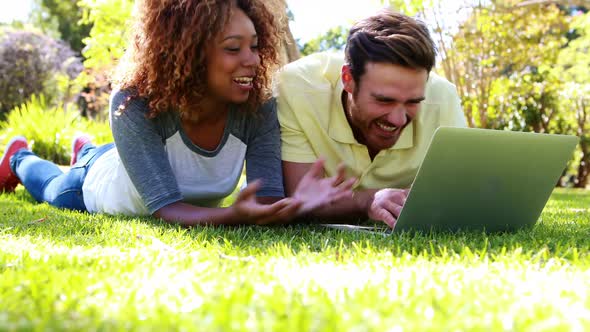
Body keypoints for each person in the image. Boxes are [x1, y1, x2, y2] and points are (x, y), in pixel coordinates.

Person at [0, 0, 355, 226]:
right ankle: (19, 156)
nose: (253, 60)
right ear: (187, 52)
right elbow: (168, 210)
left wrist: (297, 206)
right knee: (49, 186)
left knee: (98, 155)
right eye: (234, 48)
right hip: (94, 187)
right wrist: (232, 215)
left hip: (130, 159)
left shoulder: (257, 108)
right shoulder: (133, 103)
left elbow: (266, 203)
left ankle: (88, 150)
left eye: (255, 45)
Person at [275, 9, 467, 228]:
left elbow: (459, 193)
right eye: (384, 100)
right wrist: (369, 200)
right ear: (348, 79)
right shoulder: (297, 87)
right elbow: (301, 199)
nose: (397, 119)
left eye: (413, 102)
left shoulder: (443, 99)